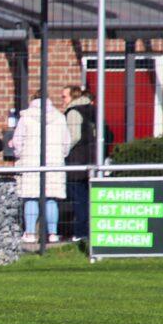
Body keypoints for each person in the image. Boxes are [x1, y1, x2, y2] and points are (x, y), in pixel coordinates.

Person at [12, 92, 72, 243]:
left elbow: (17, 142)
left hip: (31, 162)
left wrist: (20, 155)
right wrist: (60, 155)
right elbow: (66, 142)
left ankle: (30, 233)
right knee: (51, 199)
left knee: (31, 197)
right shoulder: (59, 117)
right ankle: (52, 234)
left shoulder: (25, 118)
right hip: (54, 163)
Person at [62, 85, 95, 241]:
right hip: (92, 160)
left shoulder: (74, 112)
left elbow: (72, 137)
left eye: (65, 96)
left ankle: (81, 232)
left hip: (77, 162)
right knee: (89, 197)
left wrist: (62, 151)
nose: (63, 100)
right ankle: (90, 230)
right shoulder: (91, 110)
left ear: (73, 97)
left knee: (78, 199)